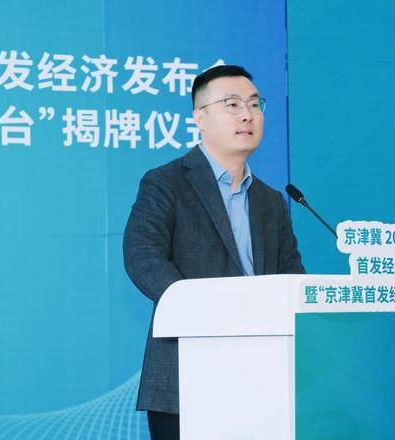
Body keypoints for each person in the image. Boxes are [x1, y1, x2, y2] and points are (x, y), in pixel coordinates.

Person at [123, 65, 305, 440]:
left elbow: (293, 278)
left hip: (265, 378)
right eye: (232, 104)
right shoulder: (166, 182)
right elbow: (142, 255)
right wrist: (206, 311)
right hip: (188, 375)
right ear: (200, 118)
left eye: (254, 104)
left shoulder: (272, 201)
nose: (247, 115)